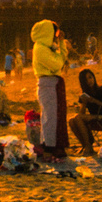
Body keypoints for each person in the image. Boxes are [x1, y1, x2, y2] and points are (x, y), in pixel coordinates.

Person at [30, 19, 70, 158]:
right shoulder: (40, 48)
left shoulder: (46, 47)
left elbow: (61, 59)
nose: (55, 36)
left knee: (55, 115)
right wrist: (60, 50)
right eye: (54, 32)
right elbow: (57, 64)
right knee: (50, 117)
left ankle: (53, 145)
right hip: (48, 83)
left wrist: (61, 44)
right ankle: (50, 147)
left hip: (53, 83)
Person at [68, 68, 102, 155]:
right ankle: (86, 145)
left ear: (94, 77)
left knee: (77, 118)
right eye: (86, 80)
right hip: (94, 117)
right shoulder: (85, 94)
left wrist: (94, 100)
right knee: (72, 121)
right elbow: (81, 114)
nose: (89, 81)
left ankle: (88, 146)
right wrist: (84, 102)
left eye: (90, 77)